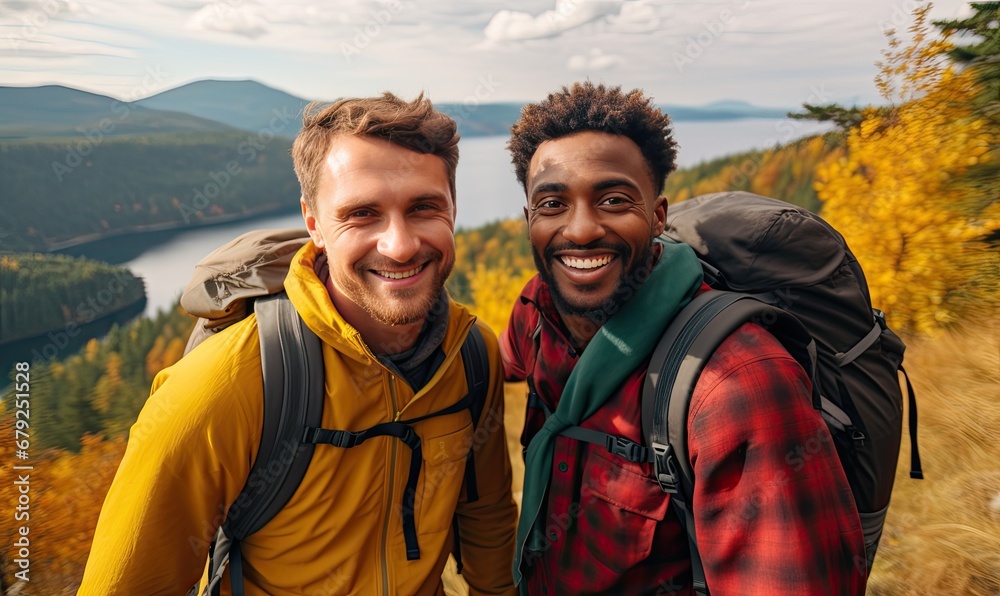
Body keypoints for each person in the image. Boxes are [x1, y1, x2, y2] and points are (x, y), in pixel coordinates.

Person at [81, 93, 518, 595]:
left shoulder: (472, 354)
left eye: (424, 207)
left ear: (453, 209)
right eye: (362, 214)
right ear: (314, 224)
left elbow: (486, 518)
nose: (399, 245)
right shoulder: (225, 386)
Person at [499, 82, 867, 595]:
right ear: (530, 220)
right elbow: (486, 366)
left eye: (613, 199)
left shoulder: (738, 386)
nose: (580, 230)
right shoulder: (539, 312)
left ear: (657, 216)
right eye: (553, 203)